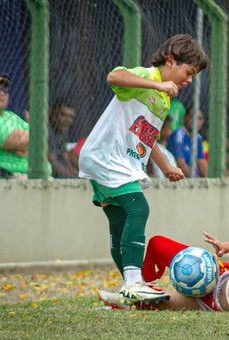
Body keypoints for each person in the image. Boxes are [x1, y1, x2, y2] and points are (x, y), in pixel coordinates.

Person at [79, 34, 209, 304]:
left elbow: (148, 137)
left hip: (116, 161)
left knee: (119, 222)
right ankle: (134, 282)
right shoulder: (147, 76)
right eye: (188, 72)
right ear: (171, 61)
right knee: (139, 208)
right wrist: (155, 84)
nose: (189, 80)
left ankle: (128, 290)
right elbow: (114, 77)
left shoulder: (163, 100)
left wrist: (167, 166)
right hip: (107, 157)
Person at [99, 232, 229, 312]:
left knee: (150, 302)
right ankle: (142, 288)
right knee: (157, 244)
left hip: (212, 302)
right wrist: (224, 247)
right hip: (218, 269)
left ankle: (129, 300)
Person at [0, 74, 52, 176]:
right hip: (6, 176)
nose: (2, 93)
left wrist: (19, 145)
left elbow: (39, 140)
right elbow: (25, 139)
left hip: (34, 176)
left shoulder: (11, 116)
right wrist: (25, 145)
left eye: (5, 90)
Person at [167, 108, 207, 177]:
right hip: (177, 176)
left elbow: (201, 162)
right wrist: (195, 180)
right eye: (192, 117)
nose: (196, 121)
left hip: (192, 176)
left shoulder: (198, 138)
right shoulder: (178, 136)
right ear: (184, 119)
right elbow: (181, 165)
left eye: (199, 119)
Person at [48, 99, 78, 177]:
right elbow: (52, 163)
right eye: (63, 115)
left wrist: (79, 175)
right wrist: (75, 178)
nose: (68, 120)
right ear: (53, 114)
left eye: (71, 117)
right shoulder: (46, 129)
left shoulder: (62, 130)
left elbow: (65, 159)